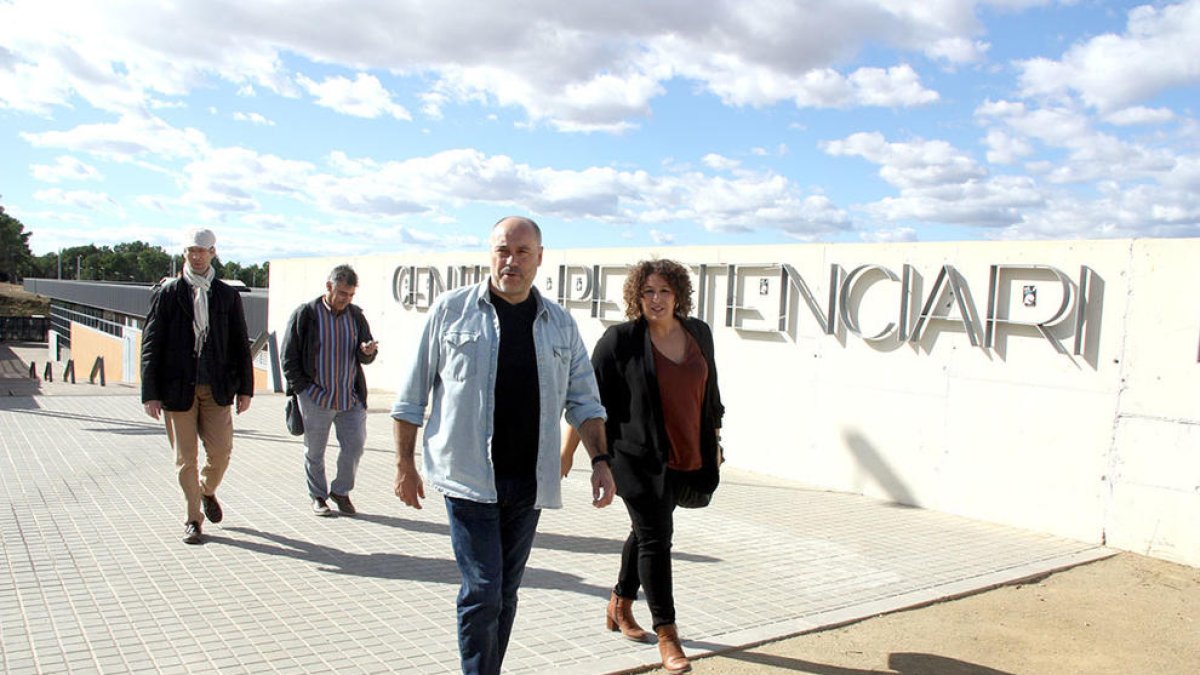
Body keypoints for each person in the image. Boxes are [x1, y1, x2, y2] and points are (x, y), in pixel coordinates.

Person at [392, 216, 615, 675]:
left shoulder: (558, 323)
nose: (510, 261)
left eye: (522, 252)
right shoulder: (451, 310)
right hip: (468, 478)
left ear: (539, 258)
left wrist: (600, 460)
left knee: (505, 592)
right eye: (502, 250)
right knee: (483, 588)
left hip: (529, 482)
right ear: (489, 253)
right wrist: (404, 464)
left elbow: (585, 401)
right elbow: (411, 397)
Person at [561, 258, 725, 675]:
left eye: (664, 291)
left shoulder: (698, 333)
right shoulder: (620, 340)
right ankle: (668, 635)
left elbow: (711, 394)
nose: (655, 299)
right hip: (635, 459)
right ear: (637, 296)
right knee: (657, 539)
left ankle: (619, 603)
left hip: (687, 454)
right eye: (647, 292)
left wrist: (716, 441)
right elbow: (587, 403)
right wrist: (568, 455)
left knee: (646, 532)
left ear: (678, 295)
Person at [141, 228, 254, 545]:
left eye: (203, 250)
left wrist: (245, 388)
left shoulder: (226, 295)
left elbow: (239, 344)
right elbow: (151, 344)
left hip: (216, 387)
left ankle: (206, 490)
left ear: (213, 253)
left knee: (221, 452)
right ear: (185, 253)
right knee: (185, 459)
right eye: (192, 250)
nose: (197, 255)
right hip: (177, 390)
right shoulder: (169, 293)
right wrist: (150, 393)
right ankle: (193, 518)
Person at [282, 264, 378, 517]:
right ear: (329, 287)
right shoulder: (306, 314)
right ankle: (318, 496)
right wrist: (303, 391)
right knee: (315, 450)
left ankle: (341, 491)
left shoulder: (356, 316)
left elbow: (365, 355)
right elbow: (288, 357)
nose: (346, 299)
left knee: (355, 445)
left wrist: (368, 352)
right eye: (343, 293)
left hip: (350, 397)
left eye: (351, 295)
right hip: (316, 397)